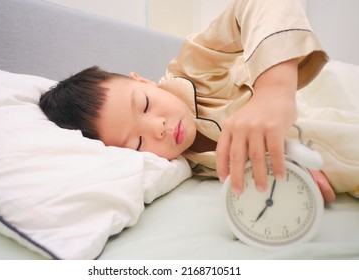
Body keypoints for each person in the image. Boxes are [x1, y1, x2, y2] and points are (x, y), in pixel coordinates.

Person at [40, 0, 359, 202]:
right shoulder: (186, 165)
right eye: (137, 142)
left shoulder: (195, 71)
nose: (159, 128)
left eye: (146, 105)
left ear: (144, 81)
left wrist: (273, 90)